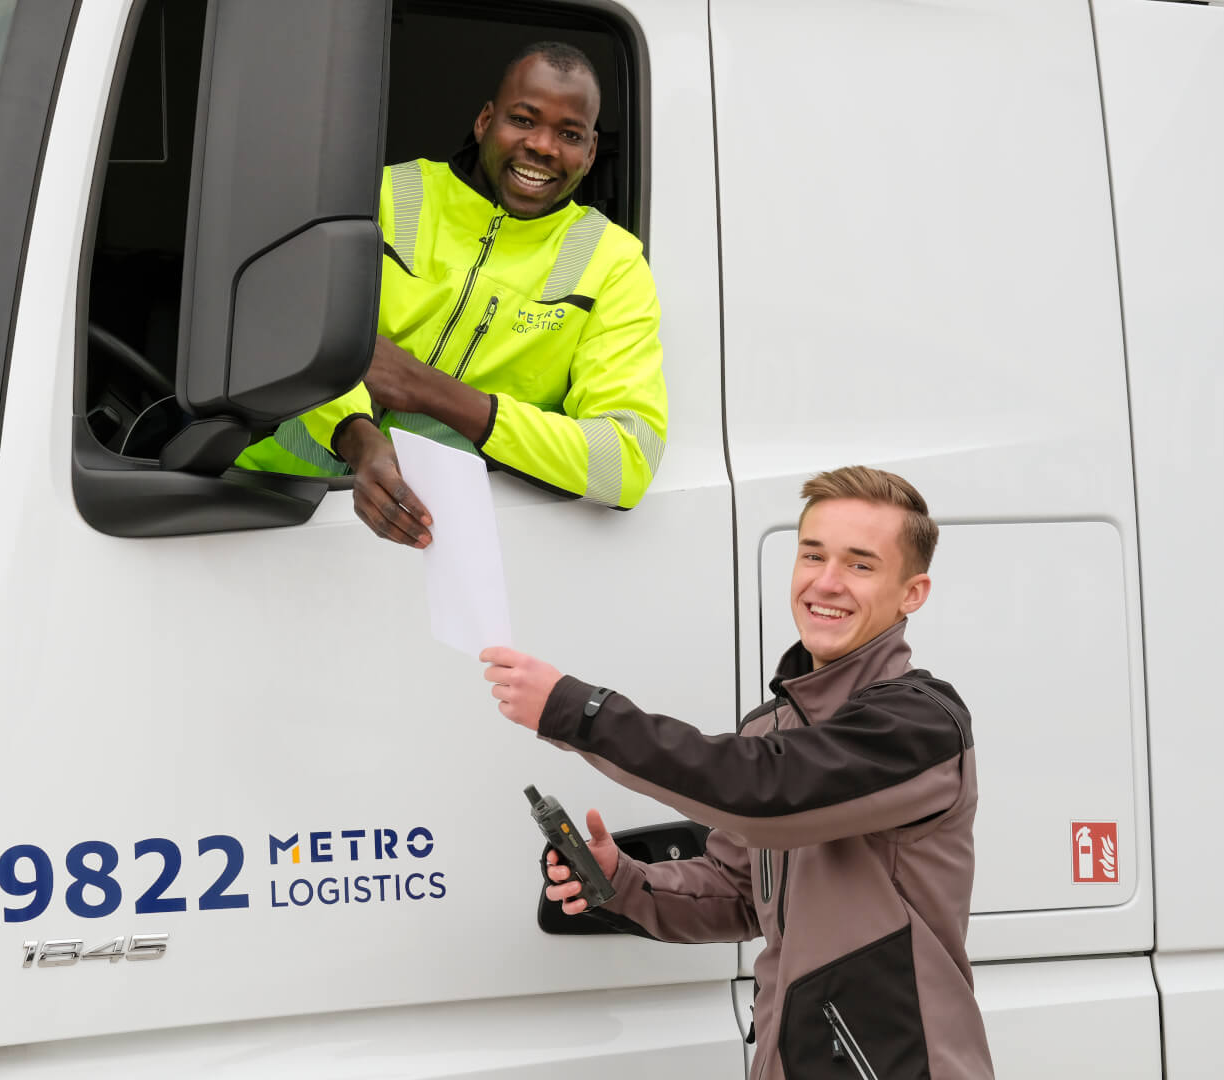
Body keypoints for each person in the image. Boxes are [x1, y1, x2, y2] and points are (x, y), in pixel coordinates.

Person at [480, 466, 994, 1080]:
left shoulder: (920, 724)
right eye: (813, 555)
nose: (826, 582)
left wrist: (580, 712)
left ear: (912, 593)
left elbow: (762, 793)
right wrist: (622, 881)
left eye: (860, 564)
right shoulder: (772, 728)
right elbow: (739, 894)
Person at [234, 42, 668, 547]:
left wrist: (429, 390)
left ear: (590, 153)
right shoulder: (384, 196)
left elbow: (625, 462)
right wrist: (359, 439)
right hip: (278, 506)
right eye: (523, 120)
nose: (543, 146)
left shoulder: (611, 261)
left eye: (569, 134)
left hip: (453, 541)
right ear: (485, 121)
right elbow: (295, 332)